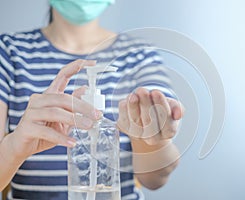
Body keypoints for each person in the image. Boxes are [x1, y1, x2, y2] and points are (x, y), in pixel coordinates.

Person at [0, 0, 183, 199]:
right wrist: (13, 147)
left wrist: (151, 133)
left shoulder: (138, 56)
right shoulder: (9, 52)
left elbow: (156, 179)